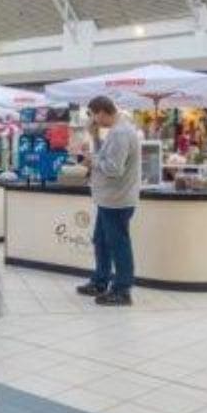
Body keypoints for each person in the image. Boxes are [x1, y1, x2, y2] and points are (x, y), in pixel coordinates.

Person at [77, 96, 141, 306]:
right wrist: (95, 137)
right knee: (102, 242)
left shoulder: (121, 132)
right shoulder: (117, 130)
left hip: (117, 200)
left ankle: (122, 290)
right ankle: (100, 281)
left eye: (93, 115)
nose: (94, 120)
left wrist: (92, 160)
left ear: (102, 112)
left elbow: (113, 169)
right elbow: (107, 157)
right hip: (109, 199)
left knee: (118, 245)